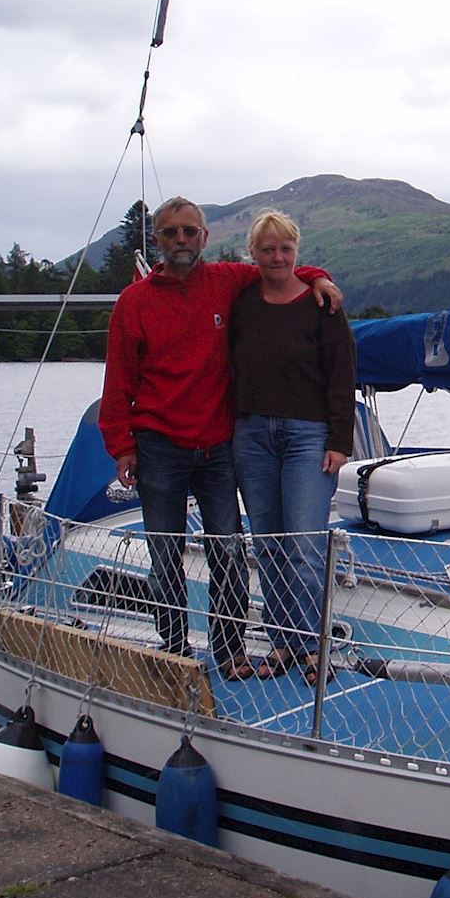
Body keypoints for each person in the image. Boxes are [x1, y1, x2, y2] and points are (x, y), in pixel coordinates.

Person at [99, 197, 341, 671]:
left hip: (217, 447)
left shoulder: (228, 281)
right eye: (172, 233)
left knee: (227, 552)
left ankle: (229, 650)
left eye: (191, 231)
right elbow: (118, 379)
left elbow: (280, 267)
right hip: (159, 447)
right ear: (157, 240)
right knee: (165, 554)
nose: (182, 240)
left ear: (205, 238)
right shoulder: (134, 302)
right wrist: (121, 445)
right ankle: (174, 649)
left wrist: (318, 277)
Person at [229, 209, 356, 687]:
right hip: (253, 436)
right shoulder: (243, 303)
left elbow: (343, 374)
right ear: (254, 254)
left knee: (303, 544)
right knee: (270, 545)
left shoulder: (323, 305)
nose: (277, 257)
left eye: (285, 248)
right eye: (268, 249)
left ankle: (313, 645)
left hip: (309, 437)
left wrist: (339, 441)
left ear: (296, 251)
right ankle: (283, 640)